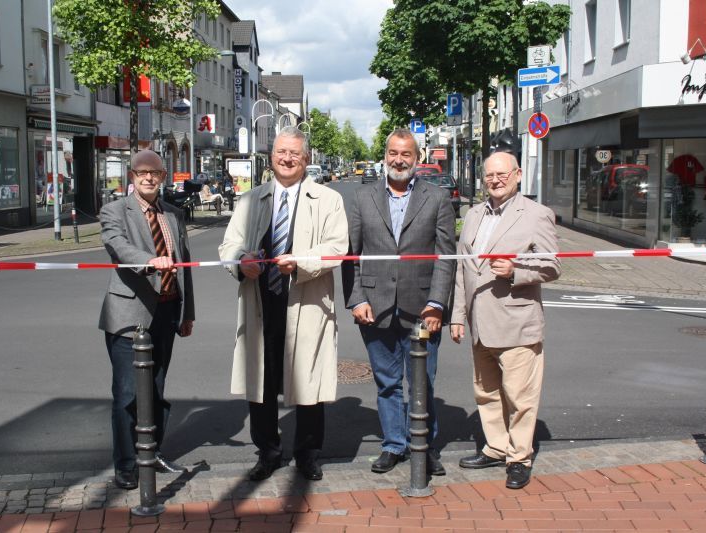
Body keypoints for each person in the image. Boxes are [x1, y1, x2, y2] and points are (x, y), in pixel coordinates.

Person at [219, 127, 348, 482]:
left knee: (308, 381)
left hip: (306, 302)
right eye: (281, 152)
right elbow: (228, 245)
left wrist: (301, 261)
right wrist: (240, 261)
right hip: (261, 302)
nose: (287, 159)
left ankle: (307, 455)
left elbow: (337, 246)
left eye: (294, 153)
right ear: (271, 157)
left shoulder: (328, 199)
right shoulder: (250, 200)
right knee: (261, 381)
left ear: (306, 158)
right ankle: (268, 453)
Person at [342, 128, 456, 476]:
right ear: (385, 156)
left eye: (406, 154)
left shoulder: (437, 198)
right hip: (374, 308)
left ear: (417, 158)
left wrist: (437, 303)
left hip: (423, 309)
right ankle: (393, 444)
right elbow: (351, 255)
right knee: (387, 383)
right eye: (393, 153)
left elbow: (446, 256)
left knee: (424, 382)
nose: (399, 160)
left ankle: (424, 445)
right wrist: (356, 299)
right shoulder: (362, 198)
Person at [449, 151, 561, 490]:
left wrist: (517, 270)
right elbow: (463, 268)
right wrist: (457, 315)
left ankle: (519, 458)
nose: (495, 180)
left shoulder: (537, 214)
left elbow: (553, 266)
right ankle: (497, 447)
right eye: (489, 175)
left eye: (502, 174)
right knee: (486, 392)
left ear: (518, 175)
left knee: (520, 397)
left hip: (517, 322)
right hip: (480, 322)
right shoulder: (473, 214)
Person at [98, 150, 195, 490]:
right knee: (128, 394)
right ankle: (127, 464)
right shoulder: (114, 211)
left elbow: (184, 265)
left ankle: (151, 454)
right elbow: (117, 245)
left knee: (155, 390)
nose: (149, 177)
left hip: (167, 312)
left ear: (164, 176)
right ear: (132, 176)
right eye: (142, 172)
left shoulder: (173, 214)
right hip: (128, 315)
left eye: (155, 172)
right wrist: (149, 261)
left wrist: (187, 313)